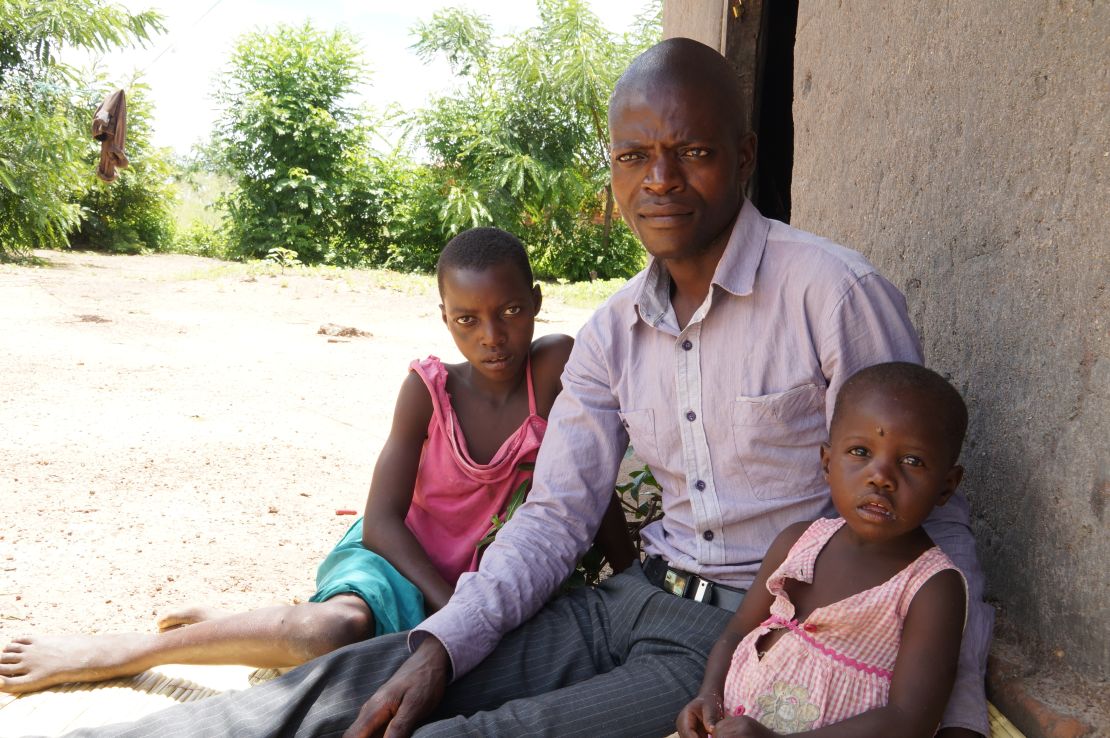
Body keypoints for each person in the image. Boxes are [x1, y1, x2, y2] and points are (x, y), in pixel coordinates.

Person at [51, 37, 991, 738]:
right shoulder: (615, 329)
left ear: (743, 158)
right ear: (614, 172)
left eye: (693, 153)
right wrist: (445, 643)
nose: (660, 180)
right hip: (624, 596)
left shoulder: (831, 293)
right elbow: (554, 517)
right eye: (634, 156)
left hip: (739, 641)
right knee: (370, 683)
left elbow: (932, 532)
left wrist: (953, 718)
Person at [0, 227, 634, 695]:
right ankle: (122, 650)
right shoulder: (428, 390)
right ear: (444, 316)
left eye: (511, 312)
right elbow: (383, 523)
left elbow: (589, 478)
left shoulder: (552, 367)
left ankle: (241, 625)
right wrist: (452, 604)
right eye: (466, 319)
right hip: (399, 563)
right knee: (328, 633)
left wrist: (633, 573)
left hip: (485, 578)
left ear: (538, 300)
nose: (492, 336)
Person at [676, 362, 969, 737]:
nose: (880, 476)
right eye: (861, 451)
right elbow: (736, 633)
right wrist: (708, 699)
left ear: (946, 486)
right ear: (828, 463)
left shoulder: (931, 588)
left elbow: (909, 721)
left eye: (911, 461)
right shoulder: (797, 543)